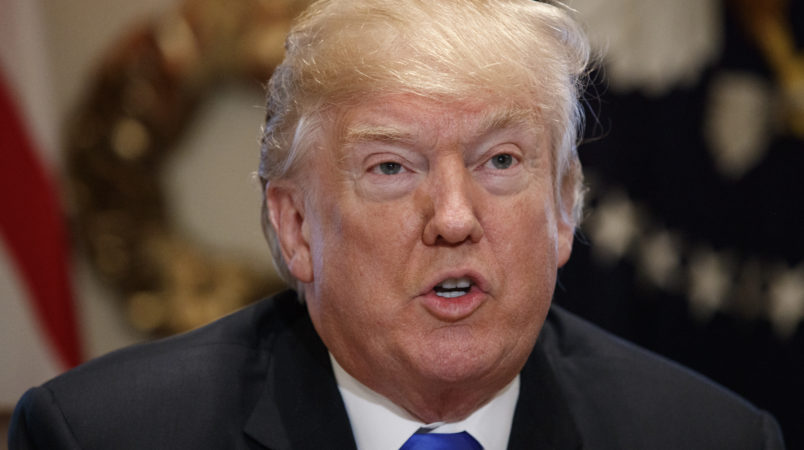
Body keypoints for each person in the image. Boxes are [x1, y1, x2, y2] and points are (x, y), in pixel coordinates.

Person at [9, 0, 785, 449]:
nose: (454, 218)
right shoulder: (104, 436)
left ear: (563, 207)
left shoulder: (707, 438)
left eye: (500, 161)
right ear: (295, 227)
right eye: (391, 168)